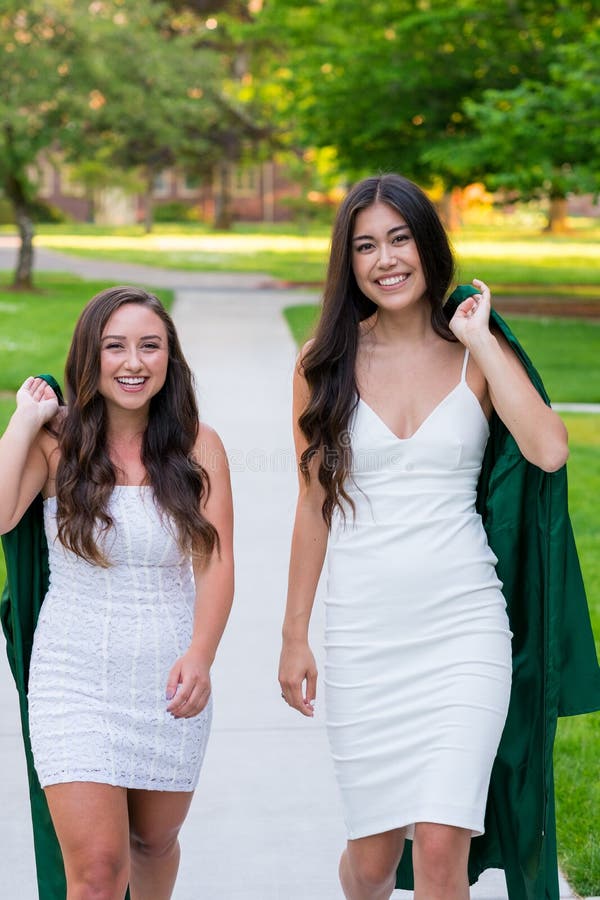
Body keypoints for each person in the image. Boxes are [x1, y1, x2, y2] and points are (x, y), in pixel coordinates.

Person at [278, 174, 599, 900]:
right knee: (372, 860)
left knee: (444, 846)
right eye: (365, 246)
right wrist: (294, 634)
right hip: (365, 632)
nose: (386, 259)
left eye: (399, 239)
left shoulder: (472, 355)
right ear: (348, 262)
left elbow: (549, 449)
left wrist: (480, 339)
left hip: (464, 626)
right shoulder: (321, 364)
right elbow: (312, 503)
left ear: (428, 245)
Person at [0, 286, 234, 899]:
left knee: (153, 844)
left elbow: (216, 562)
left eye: (149, 346)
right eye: (115, 346)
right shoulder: (59, 446)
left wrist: (201, 656)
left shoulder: (198, 445)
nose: (133, 362)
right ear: (90, 357)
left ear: (169, 359)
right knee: (99, 872)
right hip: (73, 679)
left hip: (168, 679)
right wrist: (24, 420)